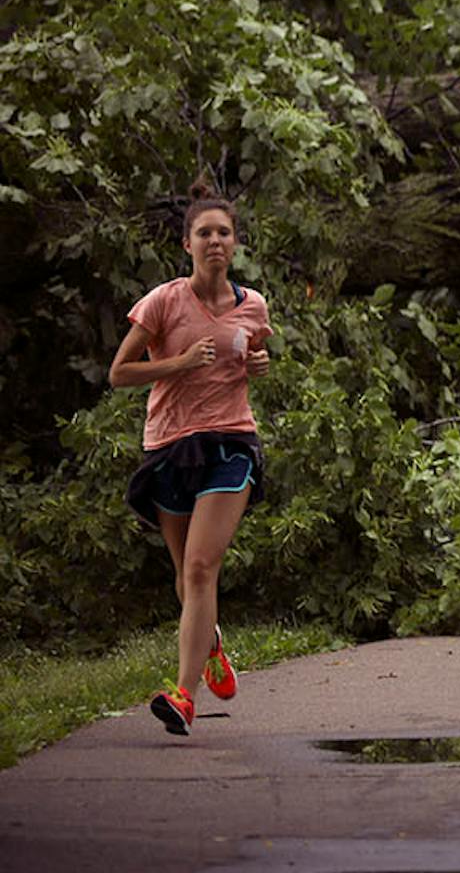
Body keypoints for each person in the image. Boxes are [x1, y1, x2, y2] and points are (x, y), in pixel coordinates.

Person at [110, 185, 274, 736]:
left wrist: (258, 364)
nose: (215, 241)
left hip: (231, 442)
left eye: (223, 232)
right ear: (187, 244)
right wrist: (177, 362)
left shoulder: (253, 305)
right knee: (186, 580)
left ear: (235, 243)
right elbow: (119, 373)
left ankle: (183, 697)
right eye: (204, 232)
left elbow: (252, 354)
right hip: (170, 446)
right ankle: (211, 642)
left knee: (203, 566)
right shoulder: (163, 302)